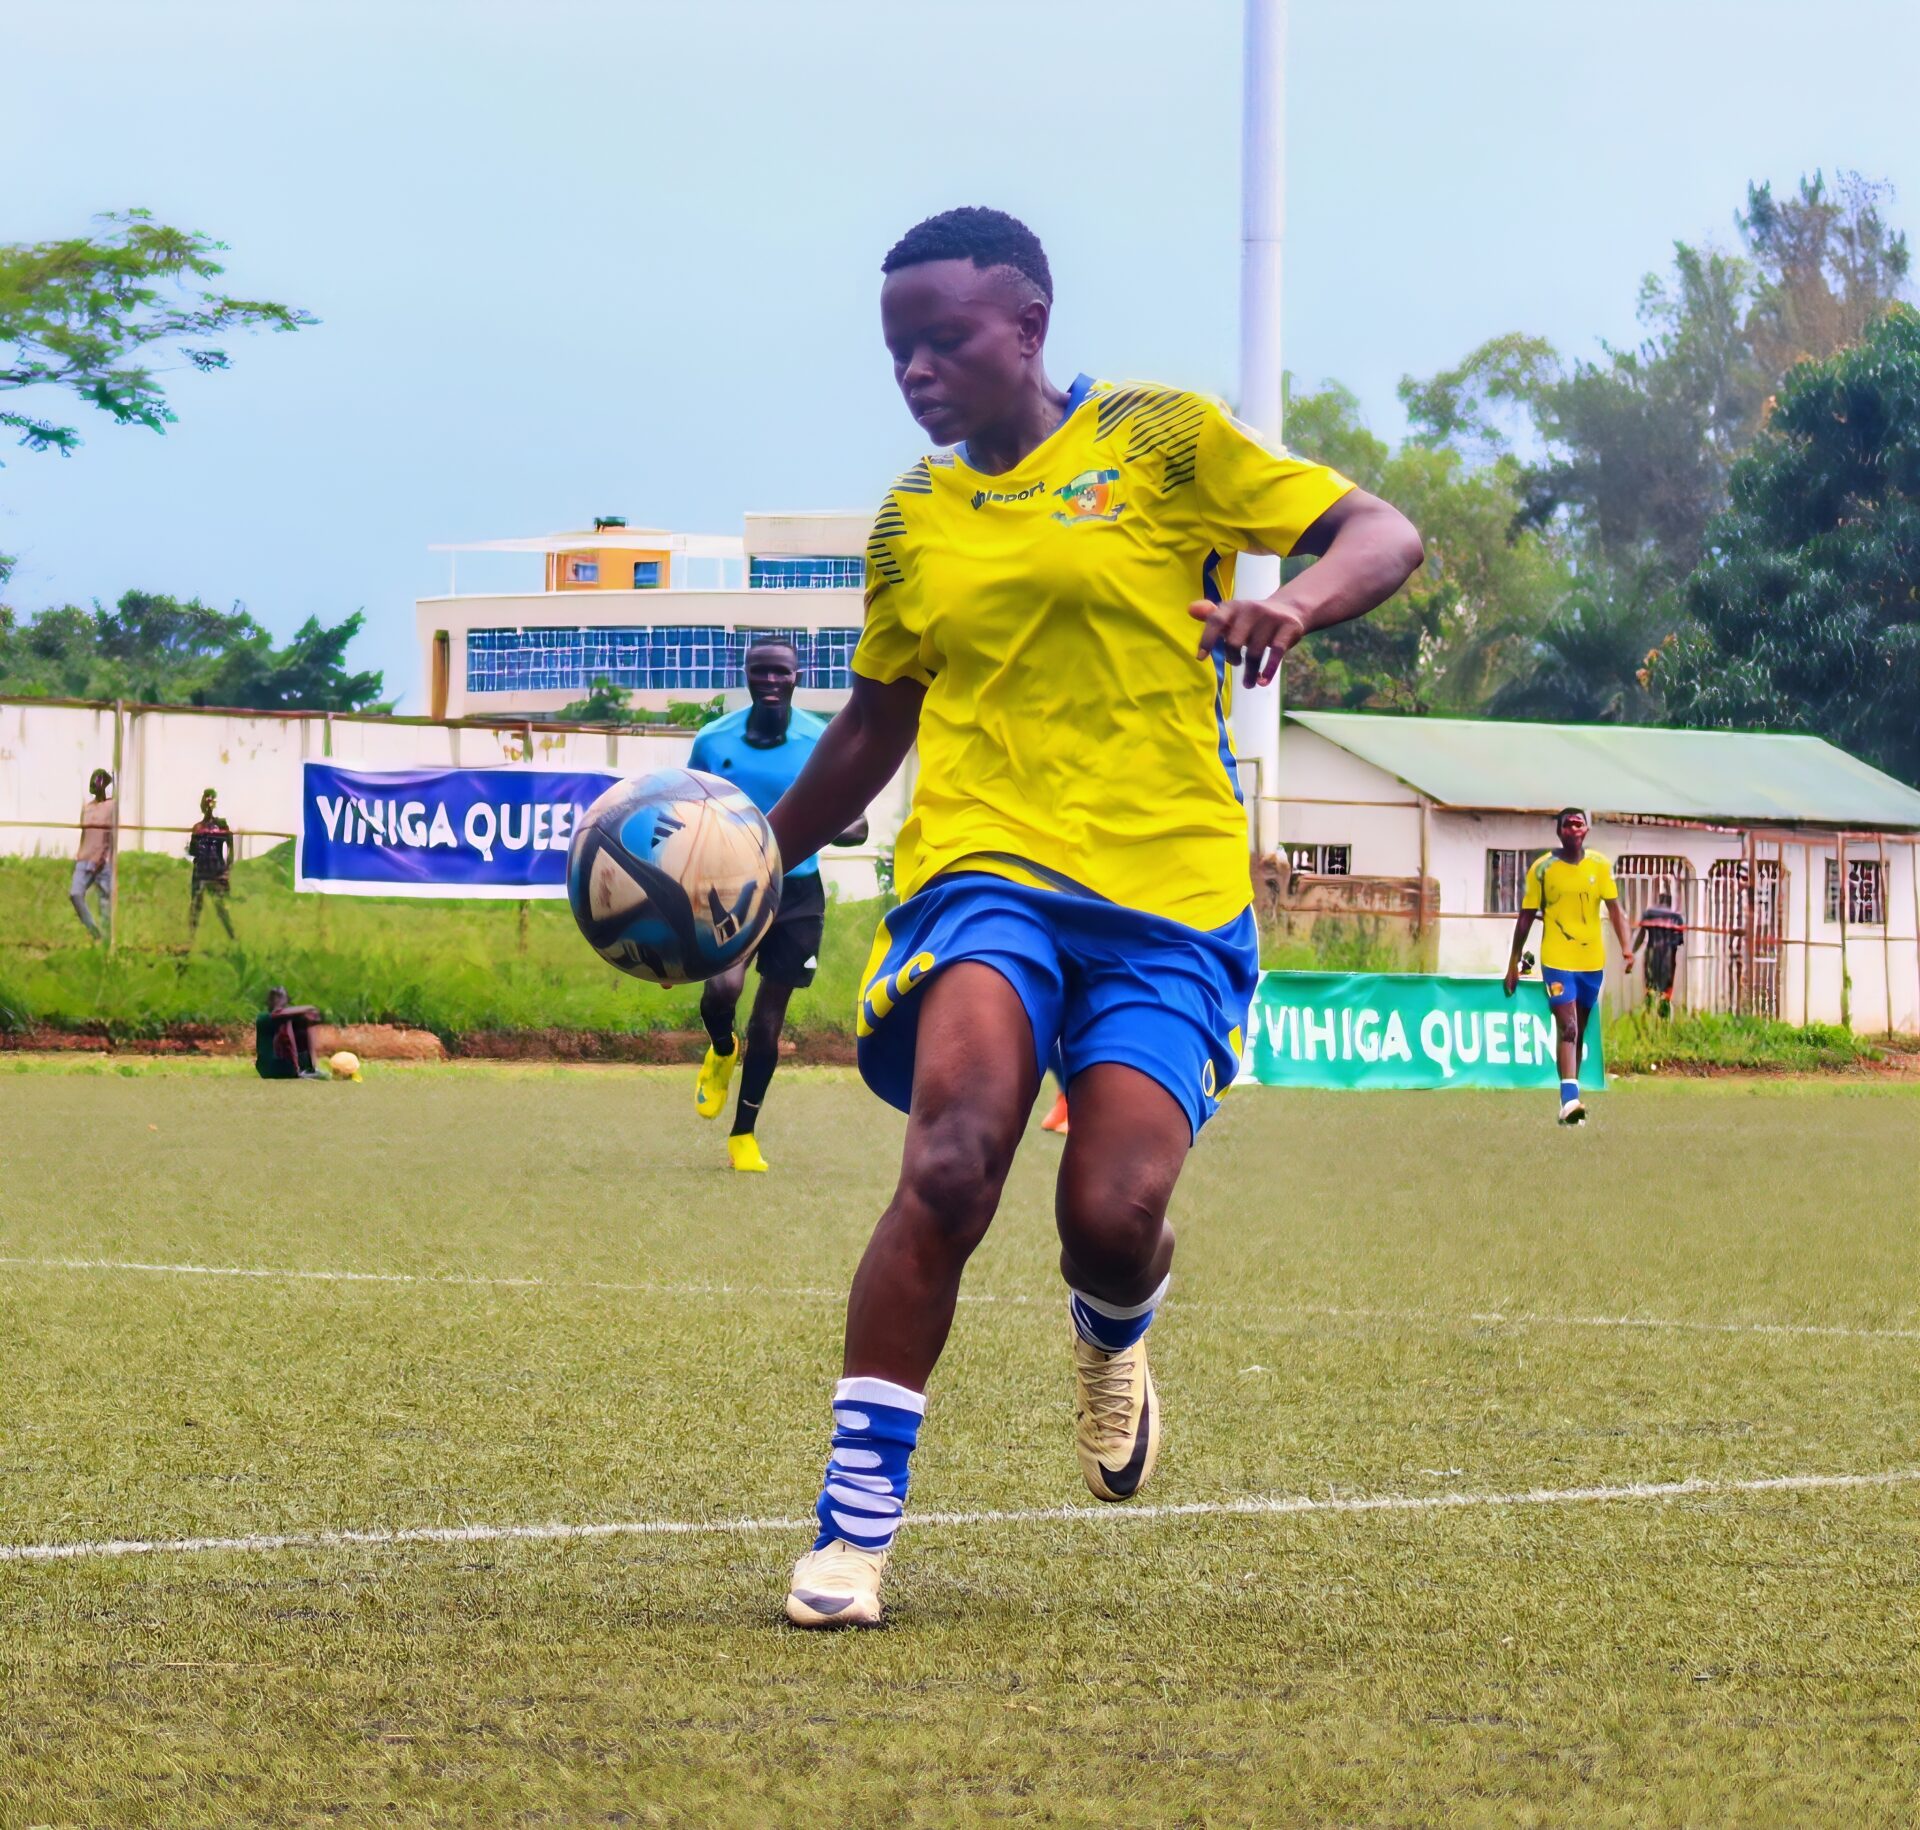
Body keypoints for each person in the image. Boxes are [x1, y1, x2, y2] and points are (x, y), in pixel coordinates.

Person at [762, 207, 1423, 1627]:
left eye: (944, 339)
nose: (918, 371)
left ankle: (1113, 1323)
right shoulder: (913, 517)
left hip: (1168, 896)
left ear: (1030, 327)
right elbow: (880, 722)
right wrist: (761, 856)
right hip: (984, 871)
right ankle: (851, 1534)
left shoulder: (1162, 438)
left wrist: (1293, 604)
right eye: (898, 350)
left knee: (1111, 1211)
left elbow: (1384, 529)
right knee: (952, 1157)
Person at [687, 639, 870, 1172]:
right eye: (760, 672)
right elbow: (688, 806)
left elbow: (855, 819)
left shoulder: (821, 738)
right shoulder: (712, 740)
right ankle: (722, 1048)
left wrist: (836, 822)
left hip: (799, 892)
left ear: (798, 677)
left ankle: (743, 1134)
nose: (771, 681)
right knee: (722, 989)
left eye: (781, 673)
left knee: (769, 1023)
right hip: (730, 884)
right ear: (745, 674)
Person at [1502, 808, 1635, 1125]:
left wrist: (1627, 948)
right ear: (1559, 832)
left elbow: (1616, 910)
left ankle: (1570, 1104)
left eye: (1580, 824)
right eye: (1568, 824)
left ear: (1586, 831)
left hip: (1591, 962)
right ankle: (1569, 1102)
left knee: (1580, 1030)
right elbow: (1525, 918)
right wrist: (1513, 963)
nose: (1575, 828)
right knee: (1569, 1028)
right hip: (1557, 960)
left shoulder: (1600, 866)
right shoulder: (1542, 869)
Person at [70, 768, 116, 940]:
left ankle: (105, 943)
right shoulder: (87, 808)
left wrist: (104, 857)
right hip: (84, 858)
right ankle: (94, 932)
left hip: (103, 861)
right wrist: (79, 853)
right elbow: (84, 832)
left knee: (105, 903)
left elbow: (111, 835)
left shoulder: (112, 806)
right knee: (75, 894)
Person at [186, 787, 236, 942]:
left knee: (220, 907)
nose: (209, 803)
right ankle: (191, 940)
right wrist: (190, 848)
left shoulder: (221, 825)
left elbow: (230, 847)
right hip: (201, 870)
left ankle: (232, 939)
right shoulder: (198, 827)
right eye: (207, 799)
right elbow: (194, 851)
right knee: (196, 906)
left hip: (215, 870)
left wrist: (226, 869)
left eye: (211, 799)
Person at [1634, 882, 1686, 1017]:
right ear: (1670, 901)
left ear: (1659, 899)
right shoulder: (1676, 918)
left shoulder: (1649, 913)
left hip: (1651, 954)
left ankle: (1648, 1023)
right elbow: (1680, 940)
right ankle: (1663, 1026)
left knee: (1650, 989)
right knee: (1665, 993)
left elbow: (1640, 936)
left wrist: (1631, 952)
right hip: (1668, 958)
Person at [254, 987, 322, 1078]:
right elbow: (277, 1013)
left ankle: (309, 1068)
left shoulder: (287, 1019)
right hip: (272, 1069)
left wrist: (313, 1065)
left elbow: (314, 1018)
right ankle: (304, 1070)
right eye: (276, 998)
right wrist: (311, 1007)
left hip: (281, 1068)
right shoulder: (263, 1018)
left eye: (280, 997)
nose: (278, 1000)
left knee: (304, 1025)